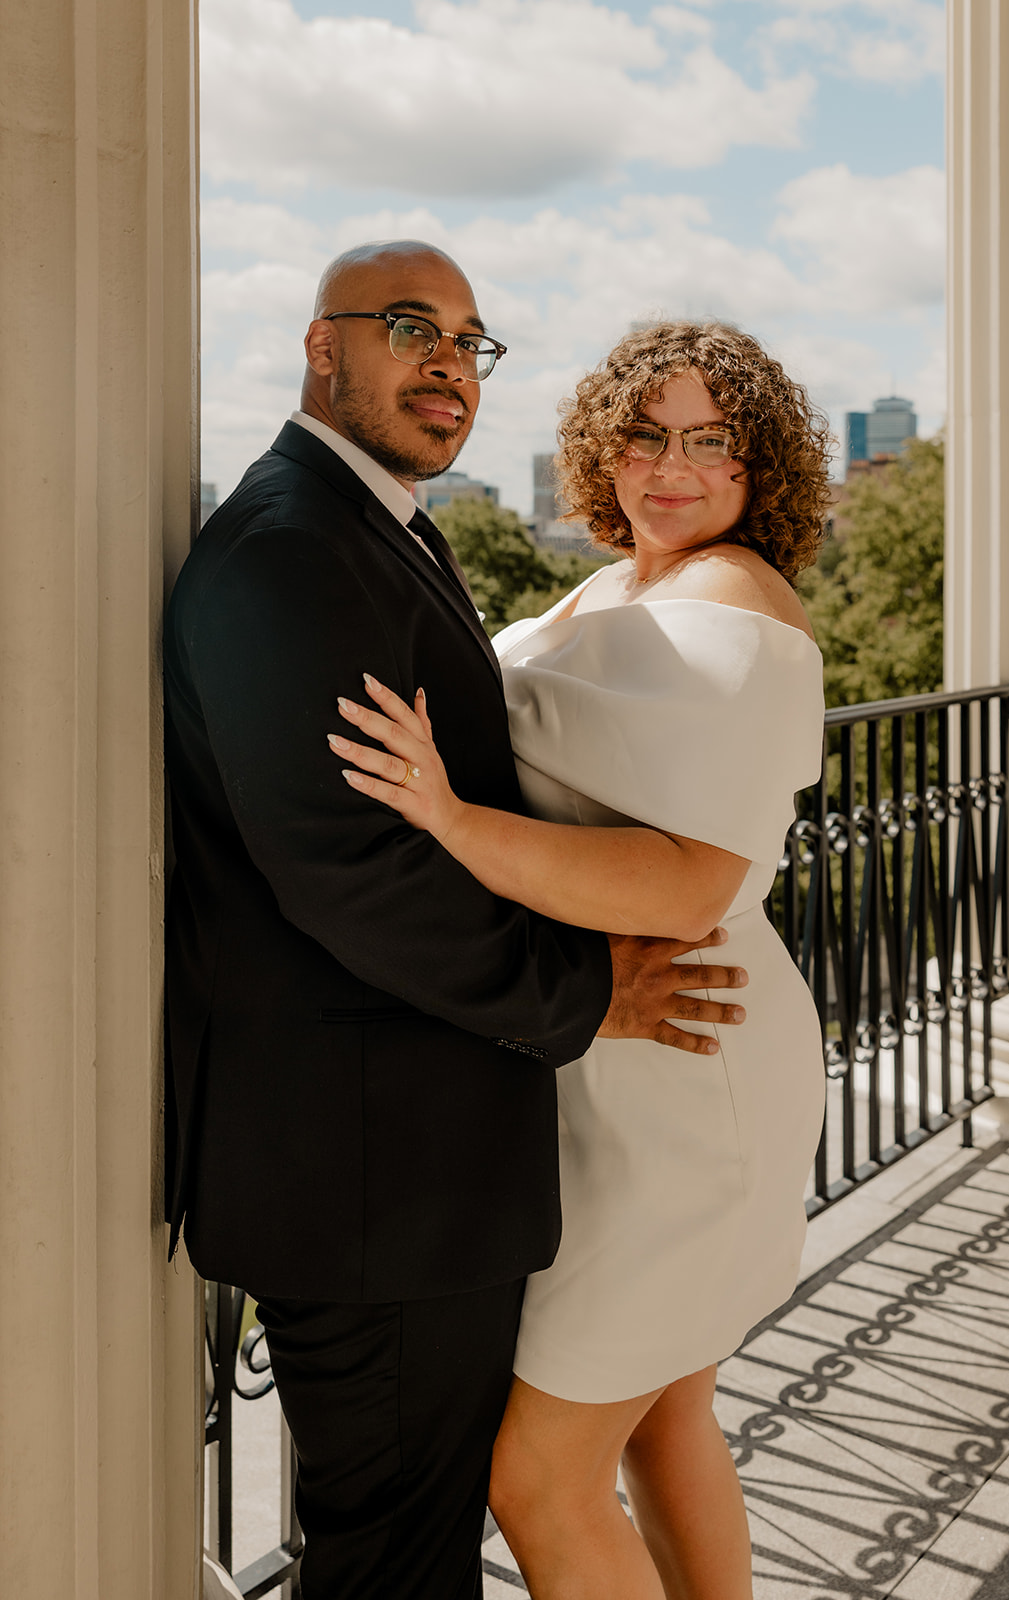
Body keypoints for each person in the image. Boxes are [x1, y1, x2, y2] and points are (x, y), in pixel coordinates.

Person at [163, 242, 750, 1600]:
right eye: (412, 325)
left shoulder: (368, 525)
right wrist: (585, 990)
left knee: (404, 1547)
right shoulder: (291, 549)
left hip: (405, 1176)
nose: (448, 361)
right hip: (373, 1186)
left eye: (471, 341)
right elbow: (349, 873)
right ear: (324, 348)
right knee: (395, 1564)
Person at [332, 319, 832, 1599]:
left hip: (683, 1062)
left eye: (710, 440)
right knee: (665, 1413)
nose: (672, 466)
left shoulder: (730, 596)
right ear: (600, 453)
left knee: (539, 1478)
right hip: (624, 1051)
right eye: (645, 435)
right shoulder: (623, 585)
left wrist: (450, 819)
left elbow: (689, 879)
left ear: (758, 461)